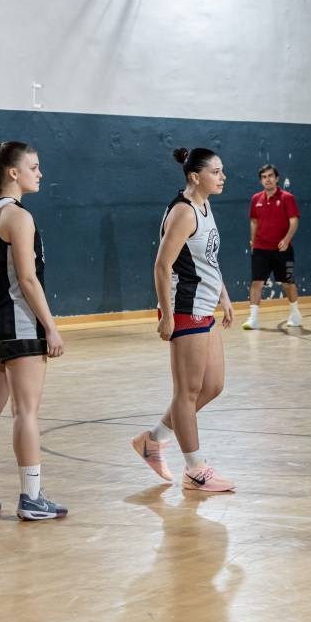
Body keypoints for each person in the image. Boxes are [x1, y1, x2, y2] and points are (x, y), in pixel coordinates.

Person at [0, 141, 67, 520]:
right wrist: (51, 327)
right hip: (19, 326)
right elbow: (26, 278)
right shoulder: (18, 217)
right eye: (34, 167)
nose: (39, 174)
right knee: (26, 412)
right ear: (13, 172)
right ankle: (31, 497)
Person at [130, 147, 236, 492]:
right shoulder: (183, 213)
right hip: (184, 309)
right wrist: (166, 314)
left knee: (213, 386)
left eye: (222, 171)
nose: (223, 177)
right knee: (187, 392)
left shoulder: (205, 206)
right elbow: (162, 265)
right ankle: (195, 469)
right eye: (216, 172)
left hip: (205, 306)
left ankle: (153, 440)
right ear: (195, 177)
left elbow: (208, 260)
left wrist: (223, 295)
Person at [243, 164, 302, 329]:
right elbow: (254, 221)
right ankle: (253, 319)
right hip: (261, 249)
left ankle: (295, 314)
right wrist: (253, 241)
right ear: (261, 180)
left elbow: (294, 220)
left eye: (270, 176)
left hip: (284, 250)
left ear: (277, 179)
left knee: (288, 283)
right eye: (264, 177)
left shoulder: (287, 197)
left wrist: (287, 238)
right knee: (256, 282)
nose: (267, 179)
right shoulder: (256, 199)